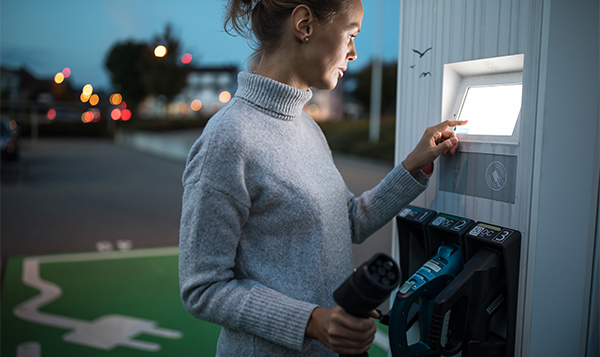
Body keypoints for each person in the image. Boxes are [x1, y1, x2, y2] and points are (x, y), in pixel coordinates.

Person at [179, 0, 465, 355]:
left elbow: (348, 221)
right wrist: (312, 321)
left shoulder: (307, 126)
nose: (355, 52)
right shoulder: (228, 138)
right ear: (304, 24)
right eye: (351, 34)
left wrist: (413, 166)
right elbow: (202, 288)